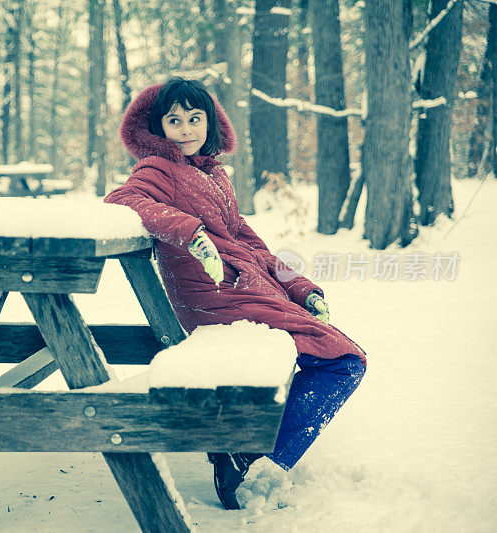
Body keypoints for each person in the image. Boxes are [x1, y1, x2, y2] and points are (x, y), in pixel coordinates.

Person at [104, 77, 367, 510]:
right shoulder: (158, 169)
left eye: (195, 118)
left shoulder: (211, 174)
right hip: (213, 299)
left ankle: (247, 451)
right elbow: (122, 201)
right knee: (343, 361)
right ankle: (249, 458)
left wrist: (299, 288)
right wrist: (191, 233)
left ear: (210, 122)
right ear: (157, 127)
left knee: (340, 357)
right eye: (174, 120)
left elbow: (247, 238)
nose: (186, 129)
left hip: (241, 289)